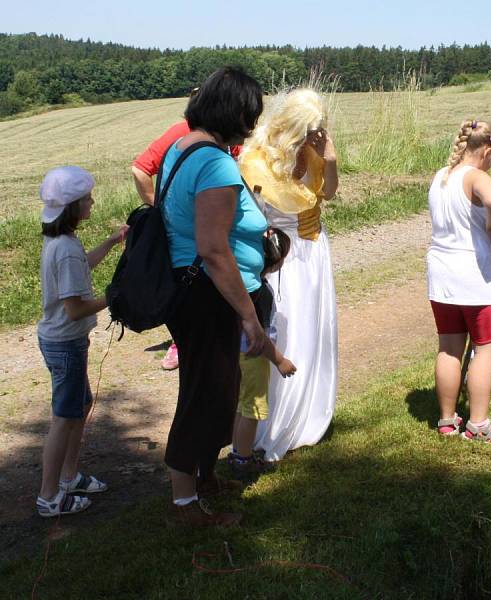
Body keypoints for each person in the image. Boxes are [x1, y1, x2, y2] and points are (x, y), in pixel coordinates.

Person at [160, 66, 265, 527]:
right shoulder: (217, 163)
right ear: (235, 110)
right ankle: (185, 507)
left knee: (213, 389)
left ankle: (204, 478)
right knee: (206, 396)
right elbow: (213, 248)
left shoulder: (181, 149)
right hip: (208, 294)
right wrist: (248, 315)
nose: (253, 123)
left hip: (187, 290)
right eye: (251, 113)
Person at [239, 88, 339, 462]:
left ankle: (310, 412)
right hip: (281, 256)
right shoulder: (256, 158)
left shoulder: (318, 150)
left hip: (313, 253)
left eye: (319, 132)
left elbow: (327, 192)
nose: (315, 138)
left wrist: (329, 159)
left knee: (313, 331)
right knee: (286, 329)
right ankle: (273, 419)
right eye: (309, 133)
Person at [35, 166, 128, 517]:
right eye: (87, 198)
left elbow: (82, 266)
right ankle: (49, 495)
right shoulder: (65, 249)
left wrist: (112, 241)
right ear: (72, 206)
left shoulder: (61, 242)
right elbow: (75, 309)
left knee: (80, 404)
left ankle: (69, 476)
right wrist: (116, 296)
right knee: (63, 416)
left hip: (62, 342)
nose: (92, 201)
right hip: (66, 344)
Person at [132, 108, 241, 371]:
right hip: (189, 236)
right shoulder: (182, 133)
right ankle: (181, 343)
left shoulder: (226, 136)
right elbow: (140, 169)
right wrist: (162, 208)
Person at [427, 119, 491, 445]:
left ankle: (448, 420)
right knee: (486, 348)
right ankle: (479, 424)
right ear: (488, 151)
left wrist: (486, 209)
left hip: (441, 274)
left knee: (449, 347)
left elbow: (467, 209)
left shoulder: (441, 175)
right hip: (474, 276)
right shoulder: (478, 176)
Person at [228, 228, 297, 479]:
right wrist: (280, 360)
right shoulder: (262, 293)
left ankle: (237, 452)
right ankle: (244, 460)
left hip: (237, 356)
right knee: (253, 408)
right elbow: (261, 337)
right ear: (276, 261)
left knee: (241, 405)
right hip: (254, 358)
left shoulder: (244, 287)